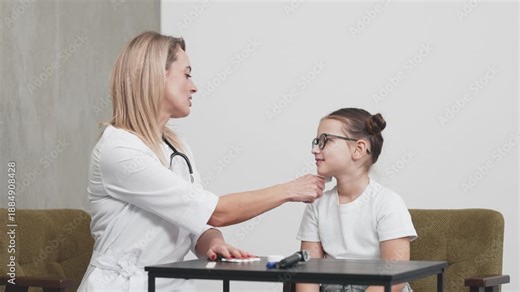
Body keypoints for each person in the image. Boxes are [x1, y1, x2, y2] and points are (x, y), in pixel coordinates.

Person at [78, 31, 325, 291]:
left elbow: (196, 221)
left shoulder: (176, 147)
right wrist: (289, 190)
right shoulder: (119, 149)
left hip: (169, 282)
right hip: (121, 284)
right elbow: (216, 211)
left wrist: (213, 242)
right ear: (155, 76)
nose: (193, 86)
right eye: (186, 74)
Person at [296, 108, 417, 292]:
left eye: (324, 141)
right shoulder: (317, 205)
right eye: (316, 142)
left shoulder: (387, 203)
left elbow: (395, 276)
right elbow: (309, 275)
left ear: (358, 149)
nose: (314, 150)